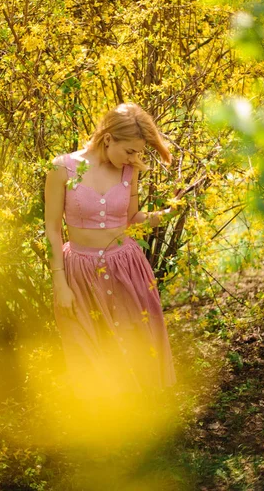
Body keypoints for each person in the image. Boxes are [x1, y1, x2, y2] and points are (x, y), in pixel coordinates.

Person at [45, 102, 182, 404]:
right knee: (90, 347)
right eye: (130, 151)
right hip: (80, 272)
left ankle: (139, 418)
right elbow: (53, 229)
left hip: (126, 267)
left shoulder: (128, 170)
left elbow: (133, 219)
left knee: (134, 342)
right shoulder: (62, 168)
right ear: (108, 138)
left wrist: (166, 214)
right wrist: (60, 283)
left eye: (139, 153)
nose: (134, 159)